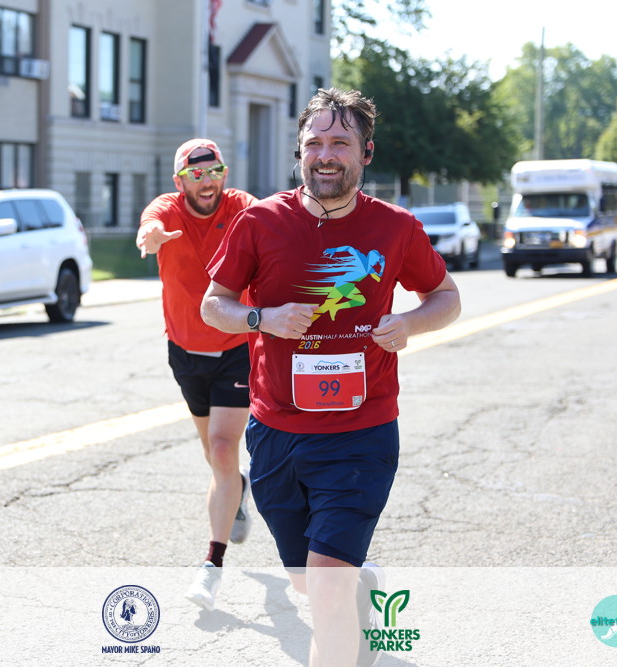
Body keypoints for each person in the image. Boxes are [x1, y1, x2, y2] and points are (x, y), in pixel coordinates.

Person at [201, 88, 461, 666]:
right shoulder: (260, 221)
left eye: (340, 143)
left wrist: (409, 323)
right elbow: (213, 305)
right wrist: (262, 317)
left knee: (324, 585)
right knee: (306, 582)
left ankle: (345, 605)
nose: (325, 155)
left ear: (366, 152)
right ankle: (360, 591)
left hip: (361, 435)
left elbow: (446, 297)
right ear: (299, 151)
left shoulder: (395, 227)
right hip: (276, 435)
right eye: (314, 142)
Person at [136, 139, 259, 612]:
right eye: (196, 174)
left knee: (224, 448)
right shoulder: (167, 209)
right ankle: (237, 487)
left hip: (235, 348)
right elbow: (150, 225)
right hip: (185, 352)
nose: (207, 182)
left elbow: (270, 220)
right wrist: (150, 237)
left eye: (214, 172)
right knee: (215, 456)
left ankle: (212, 564)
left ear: (224, 173)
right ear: (180, 180)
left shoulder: (241, 206)